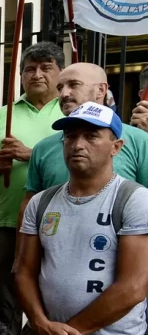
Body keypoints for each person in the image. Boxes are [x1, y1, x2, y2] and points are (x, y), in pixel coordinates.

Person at [15, 103, 148, 335]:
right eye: (71, 136)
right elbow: (23, 271)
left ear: (116, 146)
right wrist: (41, 325)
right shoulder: (41, 203)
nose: (77, 144)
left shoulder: (134, 200)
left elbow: (133, 287)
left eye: (91, 136)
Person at [0, 41, 64, 334]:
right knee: (3, 303)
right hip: (7, 222)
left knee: (54, 298)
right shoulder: (2, 116)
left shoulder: (70, 113)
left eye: (46, 68)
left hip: (60, 223)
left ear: (60, 72)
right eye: (29, 69)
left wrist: (31, 154)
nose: (37, 74)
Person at [23, 63, 148, 223]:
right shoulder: (43, 148)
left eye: (74, 85)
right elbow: (30, 205)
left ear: (101, 90)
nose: (64, 94)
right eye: (60, 88)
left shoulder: (139, 140)